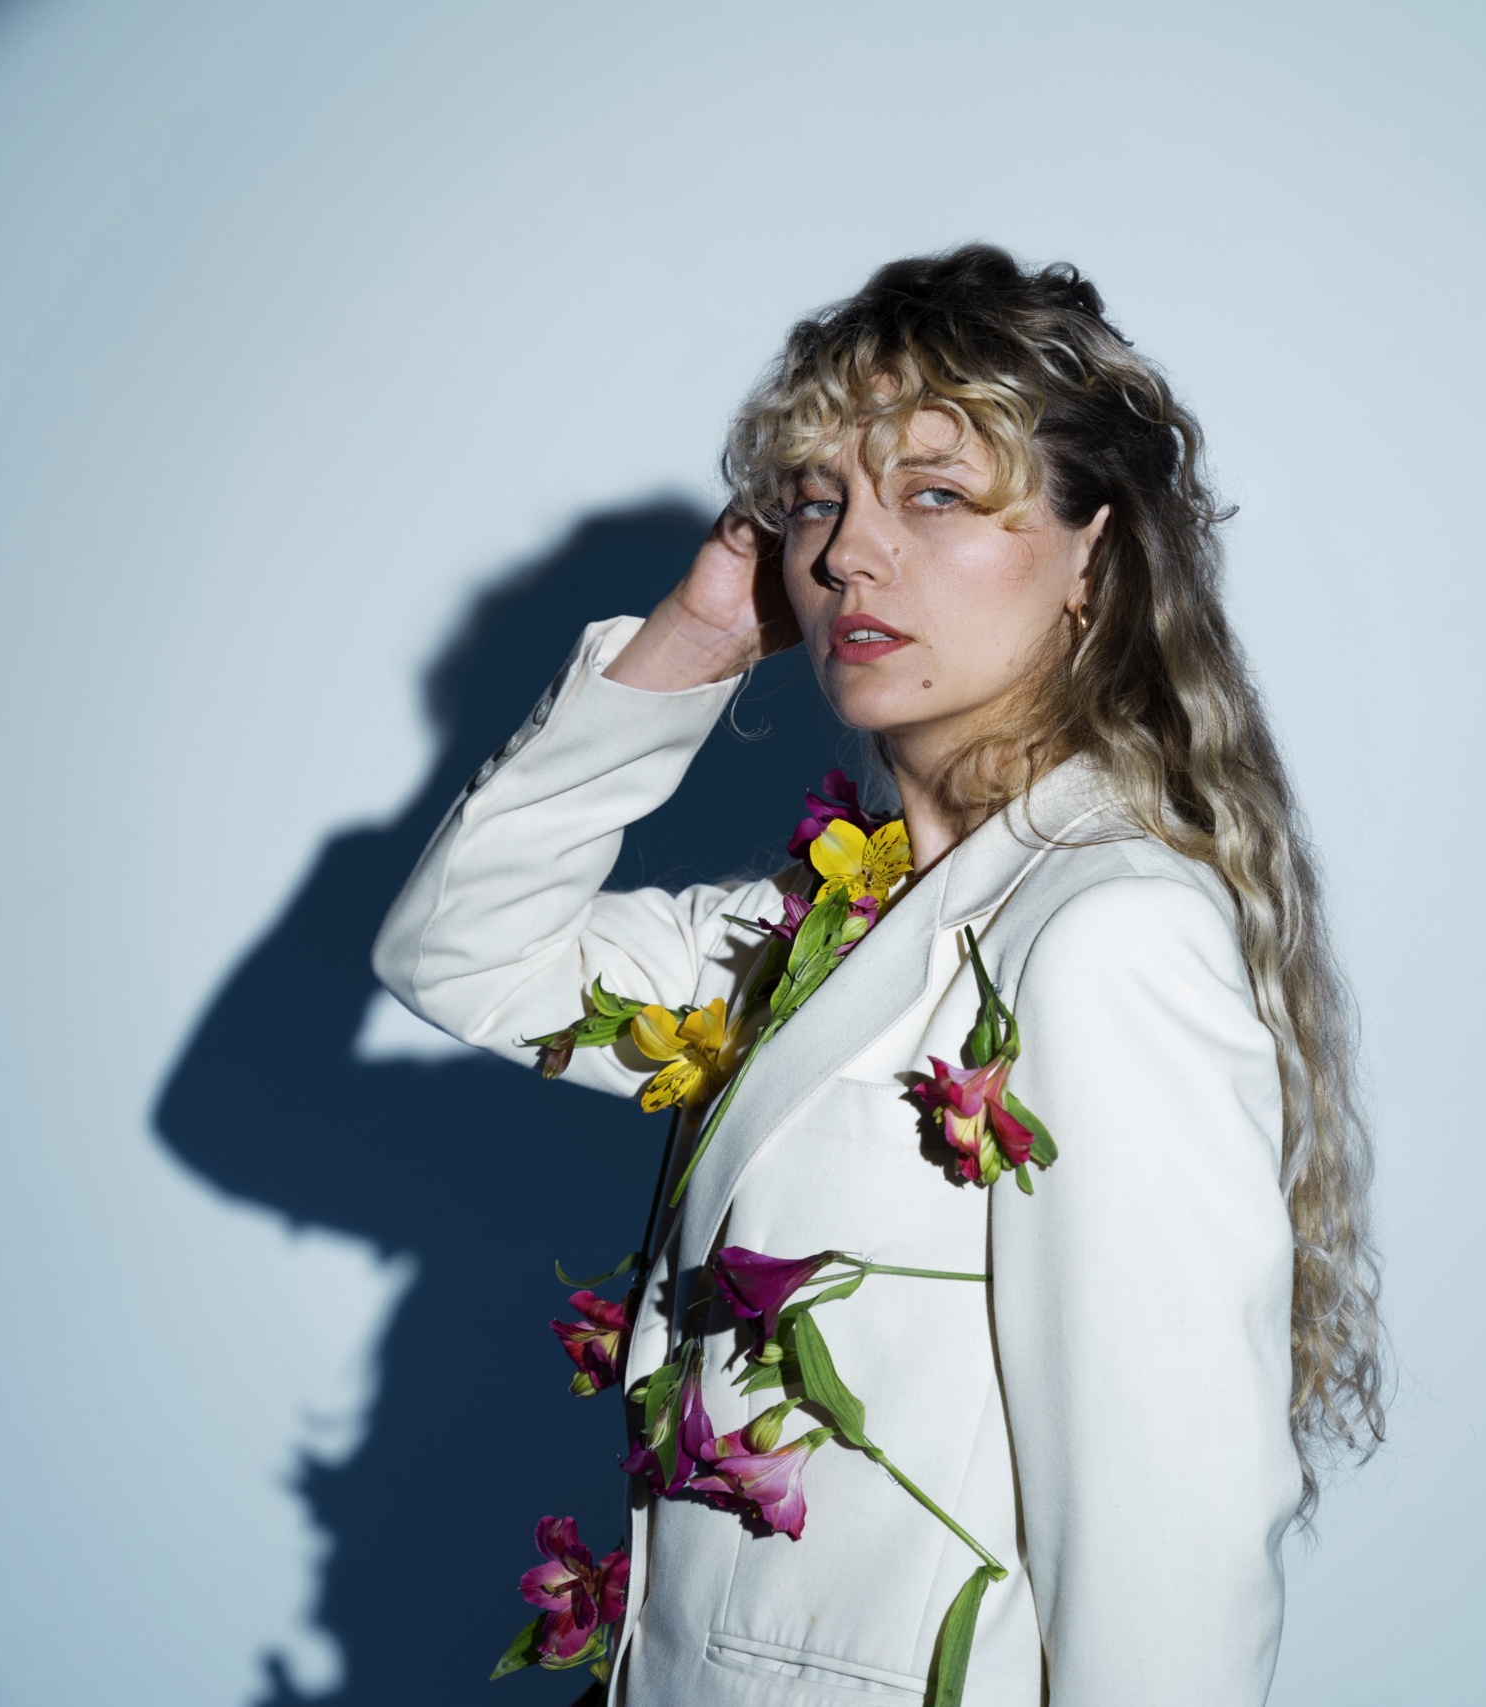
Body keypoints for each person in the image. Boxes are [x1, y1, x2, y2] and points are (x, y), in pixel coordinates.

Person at [372, 246, 1382, 1705]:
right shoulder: (821, 924)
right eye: (814, 500)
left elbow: (1169, 1532)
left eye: (936, 494)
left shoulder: (1103, 933)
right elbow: (461, 950)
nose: (848, 553)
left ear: (1093, 558)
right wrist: (696, 637)